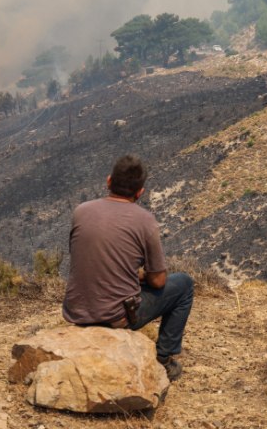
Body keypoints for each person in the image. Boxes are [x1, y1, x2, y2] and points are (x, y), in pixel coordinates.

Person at [62, 155, 193, 381]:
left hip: (77, 312)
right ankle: (163, 358)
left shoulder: (81, 211)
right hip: (116, 316)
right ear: (140, 192)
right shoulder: (145, 221)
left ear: (109, 181)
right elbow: (158, 282)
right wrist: (139, 274)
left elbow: (92, 259)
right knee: (184, 285)